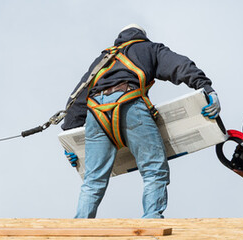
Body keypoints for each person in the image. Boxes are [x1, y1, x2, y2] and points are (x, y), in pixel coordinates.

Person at [60, 24, 220, 218]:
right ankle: (151, 221)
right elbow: (179, 65)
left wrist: (71, 144)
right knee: (153, 169)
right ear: (142, 36)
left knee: (93, 180)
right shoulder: (148, 48)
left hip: (96, 114)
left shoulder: (103, 60)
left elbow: (77, 98)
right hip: (129, 104)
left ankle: (79, 228)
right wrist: (205, 87)